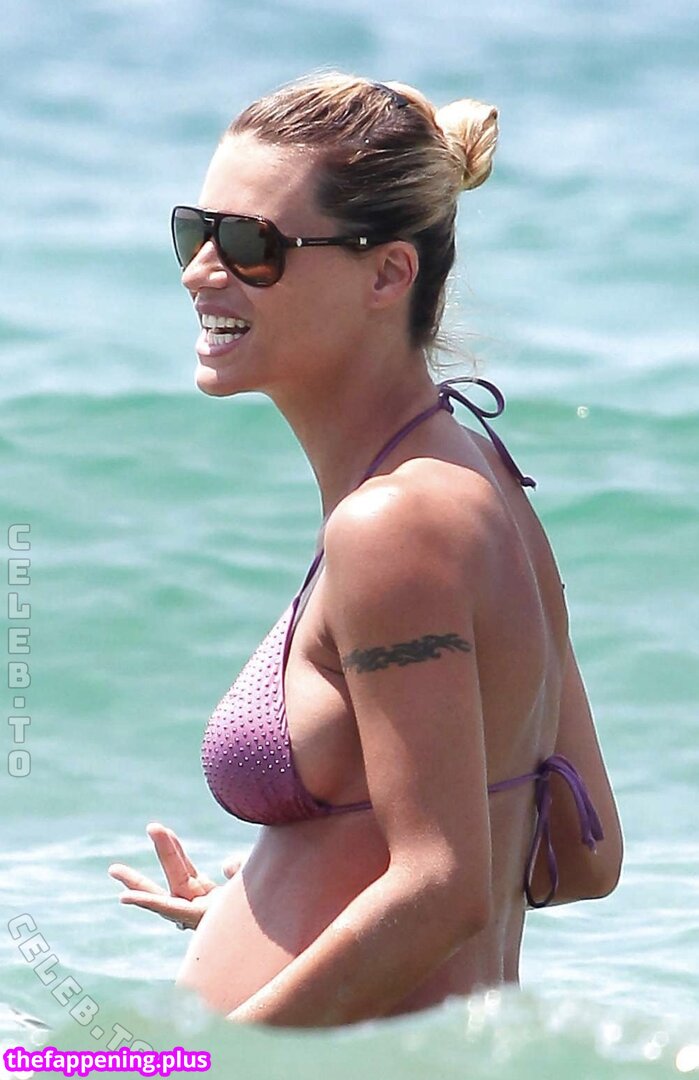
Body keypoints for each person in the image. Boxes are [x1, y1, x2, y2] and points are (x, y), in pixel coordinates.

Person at [108, 72, 623, 1027]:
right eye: (194, 233)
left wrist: (207, 1067)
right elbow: (582, 854)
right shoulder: (476, 474)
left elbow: (443, 891)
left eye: (250, 245)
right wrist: (269, 906)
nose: (199, 272)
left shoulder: (392, 524)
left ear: (387, 275)